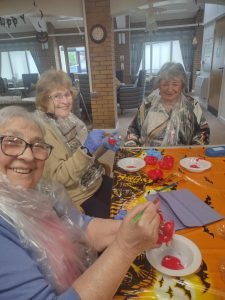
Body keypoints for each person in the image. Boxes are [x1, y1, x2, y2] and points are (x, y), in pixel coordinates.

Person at [0, 106, 160, 300]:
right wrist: (126, 247)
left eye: (37, 145)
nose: (28, 156)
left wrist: (131, 228)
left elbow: (81, 228)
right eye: (12, 142)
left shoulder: (39, 191)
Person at [35, 69, 121, 218]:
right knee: (119, 225)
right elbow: (59, 179)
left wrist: (103, 146)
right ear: (44, 100)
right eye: (57, 96)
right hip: (78, 197)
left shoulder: (69, 118)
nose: (65, 101)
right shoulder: (42, 131)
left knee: (130, 199)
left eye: (67, 94)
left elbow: (88, 157)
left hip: (96, 180)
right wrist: (86, 150)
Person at [125, 62, 210, 147]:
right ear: (159, 85)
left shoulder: (192, 105)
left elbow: (204, 131)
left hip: (183, 157)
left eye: (175, 84)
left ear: (182, 86)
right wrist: (132, 146)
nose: (169, 89)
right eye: (165, 84)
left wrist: (193, 152)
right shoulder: (148, 104)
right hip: (150, 156)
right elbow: (133, 129)